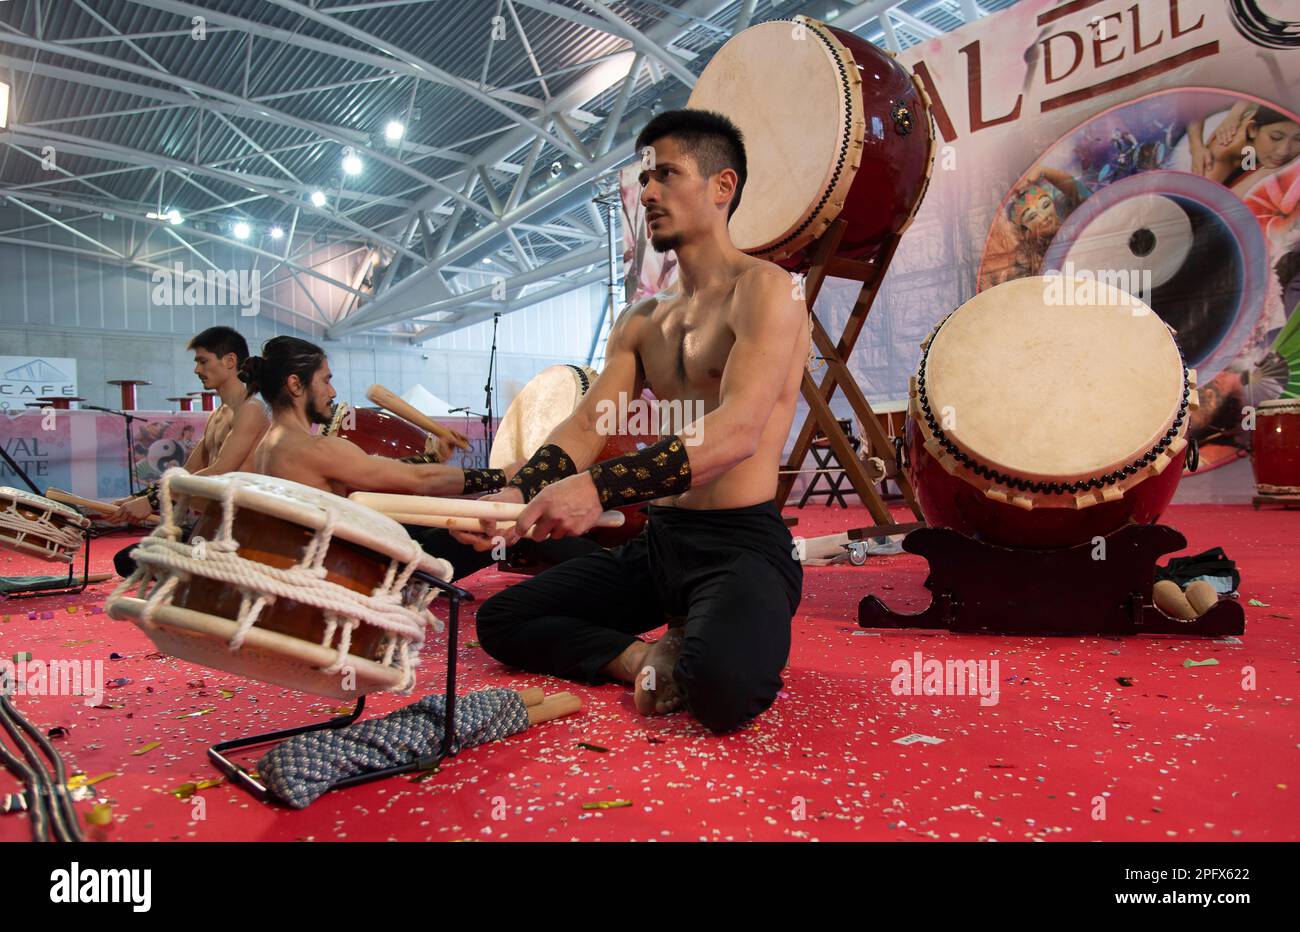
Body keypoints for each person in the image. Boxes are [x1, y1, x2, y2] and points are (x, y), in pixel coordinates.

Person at [456, 109, 809, 733]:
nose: (646, 194)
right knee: (501, 621)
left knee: (721, 696)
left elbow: (736, 432)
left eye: (666, 175)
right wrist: (519, 492)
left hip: (739, 545)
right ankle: (645, 654)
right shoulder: (641, 320)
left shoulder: (769, 291)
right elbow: (589, 424)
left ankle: (697, 645)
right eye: (645, 179)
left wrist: (597, 487)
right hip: (660, 546)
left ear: (722, 187)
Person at [109, 326, 269, 576]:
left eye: (203, 362)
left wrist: (153, 501)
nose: (197, 370)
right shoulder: (218, 414)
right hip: (212, 523)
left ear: (230, 361)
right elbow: (188, 471)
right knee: (127, 560)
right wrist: (140, 497)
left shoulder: (251, 410)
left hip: (239, 530)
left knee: (136, 561)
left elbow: (220, 472)